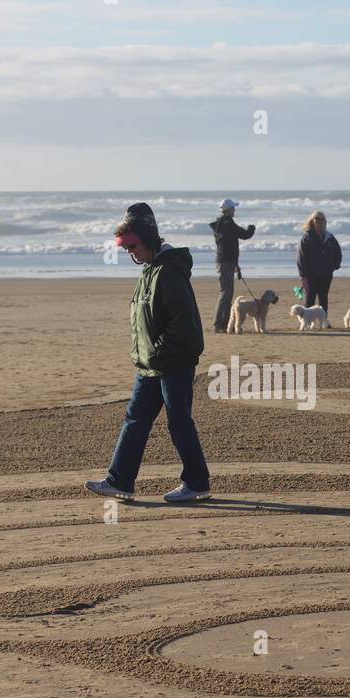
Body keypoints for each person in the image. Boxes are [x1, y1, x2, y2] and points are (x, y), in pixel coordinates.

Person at [85, 203, 211, 503]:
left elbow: (184, 325)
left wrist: (160, 353)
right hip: (150, 364)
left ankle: (197, 483)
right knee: (135, 420)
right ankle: (120, 481)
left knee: (178, 421)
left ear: (148, 238)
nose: (130, 252)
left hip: (172, 362)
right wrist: (147, 356)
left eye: (133, 245)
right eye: (125, 248)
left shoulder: (169, 271)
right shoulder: (150, 270)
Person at [208, 199, 255, 333]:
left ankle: (222, 324)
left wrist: (236, 265)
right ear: (228, 210)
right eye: (233, 208)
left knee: (226, 293)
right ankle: (219, 324)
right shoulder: (228, 224)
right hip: (226, 262)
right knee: (226, 294)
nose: (235, 210)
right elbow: (245, 234)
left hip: (225, 261)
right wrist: (252, 228)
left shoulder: (221, 224)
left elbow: (229, 246)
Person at [296, 210, 341, 314]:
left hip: (326, 274)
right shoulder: (307, 237)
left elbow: (337, 252)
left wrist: (335, 265)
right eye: (317, 219)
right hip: (311, 274)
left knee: (323, 299)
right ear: (312, 222)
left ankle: (323, 321)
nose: (320, 222)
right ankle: (307, 322)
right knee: (310, 299)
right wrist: (303, 275)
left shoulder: (330, 237)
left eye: (322, 220)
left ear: (325, 222)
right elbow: (301, 257)